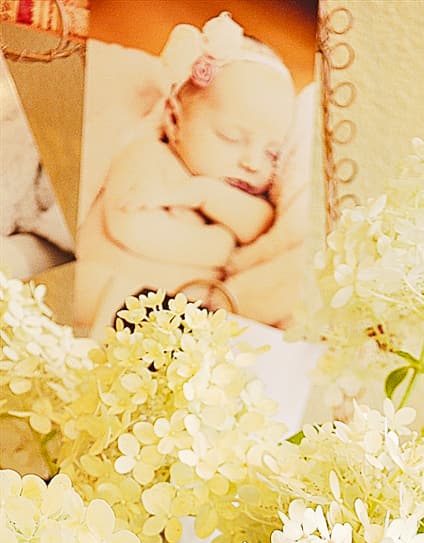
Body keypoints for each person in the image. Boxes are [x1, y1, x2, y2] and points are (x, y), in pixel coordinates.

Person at [76, 14, 297, 332]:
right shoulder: (149, 155)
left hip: (162, 326)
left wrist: (203, 194)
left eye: (271, 153)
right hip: (99, 298)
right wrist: (220, 245)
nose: (253, 162)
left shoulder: (234, 192)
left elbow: (260, 224)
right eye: (232, 137)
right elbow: (131, 227)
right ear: (173, 119)